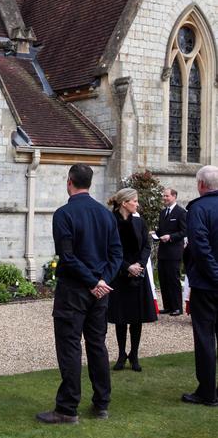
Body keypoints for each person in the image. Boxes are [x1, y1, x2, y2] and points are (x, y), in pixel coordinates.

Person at [36, 164, 122, 424]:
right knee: (97, 345)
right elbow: (116, 254)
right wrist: (102, 281)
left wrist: (96, 281)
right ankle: (101, 403)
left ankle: (67, 408)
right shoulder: (106, 215)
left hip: (75, 289)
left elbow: (67, 256)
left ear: (69, 181)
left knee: (71, 346)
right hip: (97, 291)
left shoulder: (64, 214)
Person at [106, 189, 157, 372]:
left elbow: (146, 245)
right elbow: (110, 249)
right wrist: (127, 267)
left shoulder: (139, 221)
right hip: (120, 275)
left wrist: (139, 266)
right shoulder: (111, 222)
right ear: (125, 202)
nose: (137, 204)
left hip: (138, 274)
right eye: (134, 201)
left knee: (136, 318)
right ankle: (121, 354)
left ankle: (134, 355)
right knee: (121, 317)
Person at [181, 165, 218, 406]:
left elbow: (200, 248)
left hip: (207, 284)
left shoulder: (199, 208)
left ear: (201, 185)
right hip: (210, 279)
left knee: (204, 338)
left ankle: (207, 392)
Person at [155, 188, 187, 315]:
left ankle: (177, 307)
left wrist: (171, 237)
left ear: (174, 196)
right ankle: (168, 306)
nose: (164, 198)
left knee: (173, 279)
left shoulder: (181, 212)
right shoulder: (163, 213)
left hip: (174, 252)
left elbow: (185, 231)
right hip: (162, 251)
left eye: (167, 196)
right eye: (164, 196)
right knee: (163, 279)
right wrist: (154, 234)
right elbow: (161, 230)